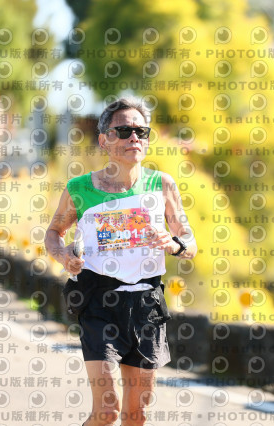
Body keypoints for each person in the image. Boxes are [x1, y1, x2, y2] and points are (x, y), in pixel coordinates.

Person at [45, 96, 197, 426]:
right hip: (98, 302)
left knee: (135, 415)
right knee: (107, 412)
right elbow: (54, 233)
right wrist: (63, 255)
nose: (134, 138)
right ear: (104, 140)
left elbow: (189, 243)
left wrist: (173, 244)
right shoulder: (80, 188)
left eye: (141, 132)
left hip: (147, 305)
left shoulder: (162, 185)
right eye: (124, 131)